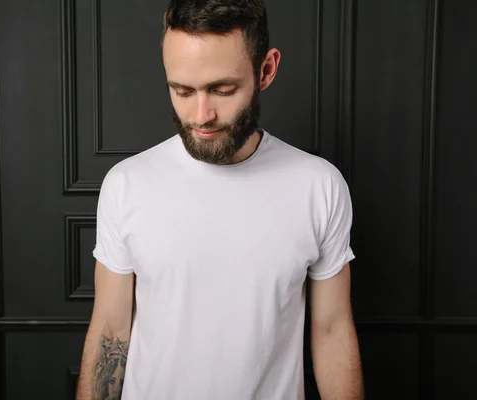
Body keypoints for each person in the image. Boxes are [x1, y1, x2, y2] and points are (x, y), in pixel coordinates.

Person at [76, 0, 364, 398]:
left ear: (266, 70)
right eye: (181, 90)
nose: (201, 115)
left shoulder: (319, 186)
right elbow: (110, 329)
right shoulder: (127, 184)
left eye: (222, 89)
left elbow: (332, 331)